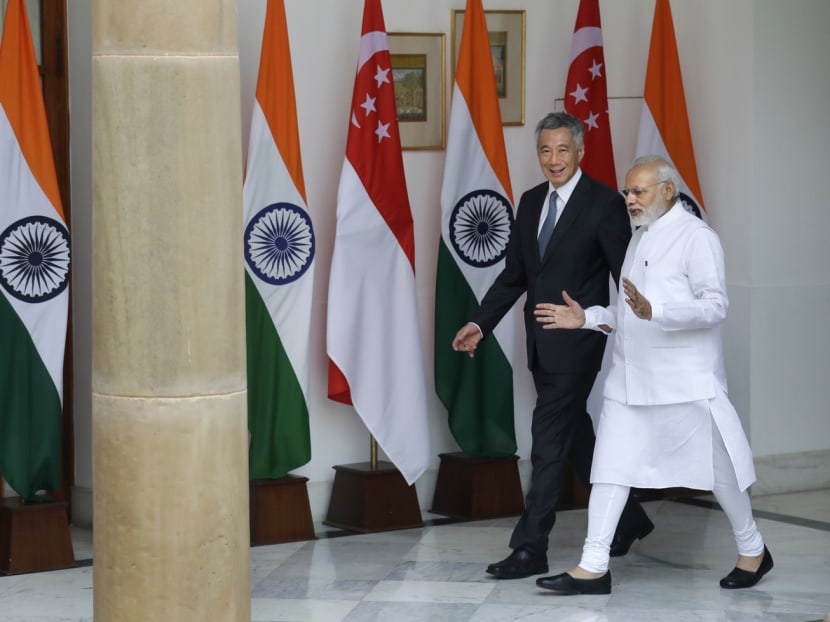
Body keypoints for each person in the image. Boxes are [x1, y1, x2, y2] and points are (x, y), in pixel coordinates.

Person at [533, 155, 772, 595]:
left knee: (720, 474)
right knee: (609, 470)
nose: (629, 199)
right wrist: (585, 318)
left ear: (667, 190)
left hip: (685, 383)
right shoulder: (638, 238)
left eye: (638, 191)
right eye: (627, 191)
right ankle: (593, 566)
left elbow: (715, 305)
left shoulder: (697, 237)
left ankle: (753, 549)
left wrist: (655, 310)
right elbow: (628, 313)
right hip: (630, 382)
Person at [452, 112, 653, 580]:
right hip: (540, 345)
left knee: (547, 441)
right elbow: (516, 276)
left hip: (579, 342)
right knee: (573, 433)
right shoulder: (528, 202)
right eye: (545, 150)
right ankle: (631, 519)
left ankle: (531, 547)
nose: (554, 159)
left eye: (563, 149)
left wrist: (628, 329)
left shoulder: (604, 203)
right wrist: (480, 324)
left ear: (580, 151)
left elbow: (627, 276)